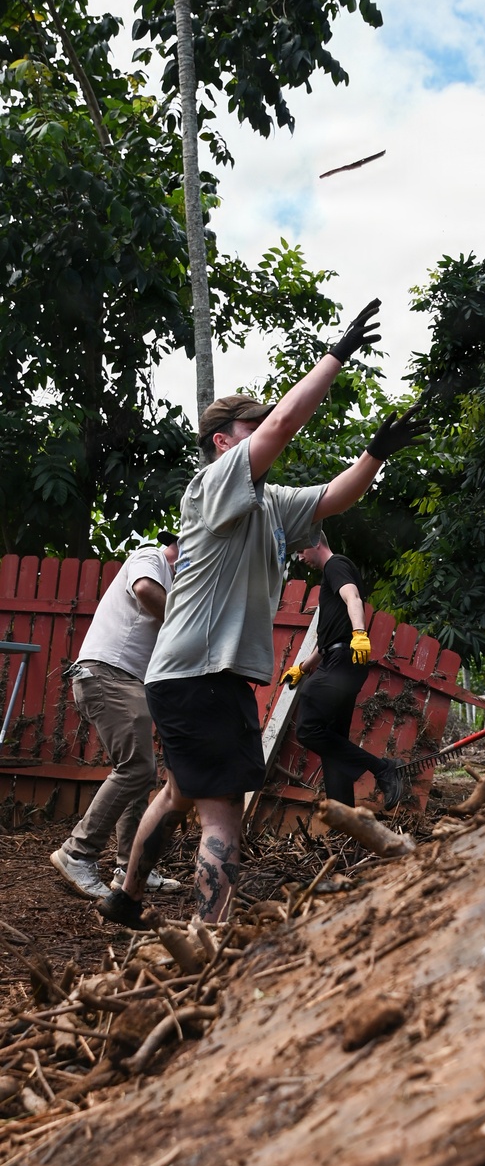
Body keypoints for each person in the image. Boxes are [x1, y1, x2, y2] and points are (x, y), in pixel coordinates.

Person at [98, 299, 425, 930]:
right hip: (200, 672)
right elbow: (280, 425)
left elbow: (333, 498)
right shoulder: (215, 483)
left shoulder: (272, 503)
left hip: (198, 675)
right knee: (222, 809)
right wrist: (335, 356)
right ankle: (208, 936)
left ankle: (125, 896)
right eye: (248, 429)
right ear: (223, 444)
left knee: (179, 791)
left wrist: (375, 454)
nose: (263, 436)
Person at [50, 532, 182, 900]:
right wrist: (184, 622)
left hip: (126, 679)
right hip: (108, 673)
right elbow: (143, 590)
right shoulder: (151, 557)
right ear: (181, 544)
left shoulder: (172, 578)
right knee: (136, 769)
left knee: (142, 773)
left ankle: (131, 866)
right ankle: (77, 853)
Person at [290, 536, 406, 810]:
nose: (299, 557)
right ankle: (345, 820)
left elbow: (352, 596)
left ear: (315, 542)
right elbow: (327, 641)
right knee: (334, 742)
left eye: (300, 550)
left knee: (307, 729)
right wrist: (303, 668)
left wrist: (359, 633)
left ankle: (383, 768)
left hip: (344, 659)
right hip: (337, 656)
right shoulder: (327, 581)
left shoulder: (336, 564)